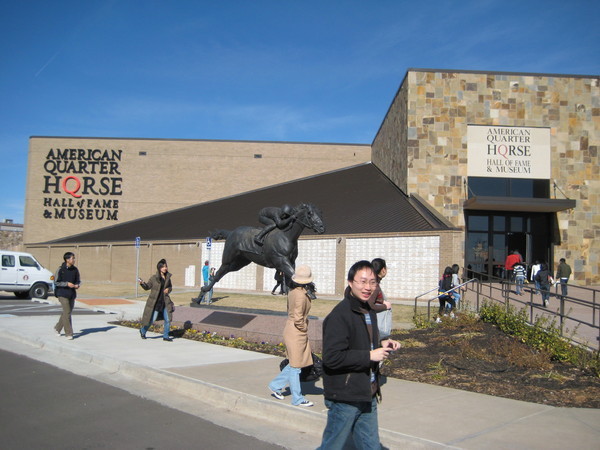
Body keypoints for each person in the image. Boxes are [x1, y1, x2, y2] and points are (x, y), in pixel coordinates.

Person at [319, 260, 400, 449]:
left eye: (372, 282)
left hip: (367, 392)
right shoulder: (340, 316)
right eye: (362, 281)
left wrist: (382, 343)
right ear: (350, 283)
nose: (368, 287)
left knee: (371, 446)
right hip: (345, 397)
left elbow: (364, 339)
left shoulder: (367, 309)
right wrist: (370, 356)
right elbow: (332, 358)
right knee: (332, 446)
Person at [268, 265, 315, 407]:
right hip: (296, 331)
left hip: (292, 329)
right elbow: (298, 317)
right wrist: (304, 328)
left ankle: (275, 385)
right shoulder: (300, 295)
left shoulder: (294, 291)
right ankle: (297, 398)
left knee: (295, 363)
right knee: (296, 366)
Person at [139, 259, 174, 341]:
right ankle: (143, 330)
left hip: (165, 302)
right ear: (159, 268)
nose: (165, 268)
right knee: (152, 319)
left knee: (168, 319)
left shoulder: (168, 277)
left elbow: (170, 287)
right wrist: (142, 284)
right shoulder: (154, 278)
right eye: (163, 267)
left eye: (166, 266)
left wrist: (168, 289)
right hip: (156, 303)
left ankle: (165, 336)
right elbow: (147, 287)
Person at [53, 252, 81, 340]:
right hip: (62, 293)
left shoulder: (75, 270)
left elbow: (78, 280)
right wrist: (66, 284)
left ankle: (57, 328)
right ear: (67, 260)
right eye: (73, 258)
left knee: (66, 312)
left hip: (71, 294)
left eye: (74, 258)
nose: (74, 260)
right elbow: (56, 282)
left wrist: (77, 285)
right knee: (67, 312)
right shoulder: (60, 269)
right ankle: (69, 333)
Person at [368, 258, 393, 339]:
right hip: (380, 330)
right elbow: (370, 305)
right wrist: (385, 306)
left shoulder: (373, 282)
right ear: (383, 270)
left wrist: (382, 301)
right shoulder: (374, 285)